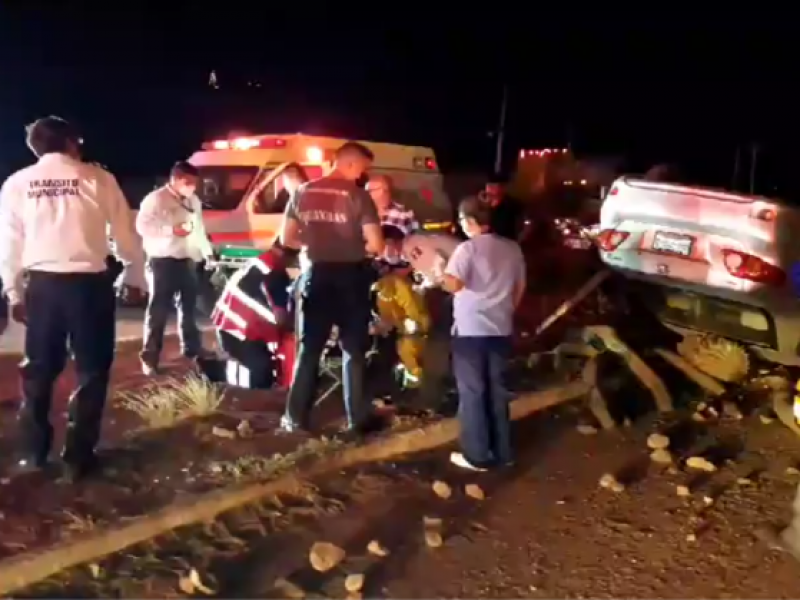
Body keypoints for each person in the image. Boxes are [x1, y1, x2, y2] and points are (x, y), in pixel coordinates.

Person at [0, 116, 144, 479]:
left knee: (38, 370)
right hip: (88, 286)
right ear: (70, 142)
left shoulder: (17, 184)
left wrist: (14, 290)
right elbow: (125, 234)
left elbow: (9, 245)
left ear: (34, 147)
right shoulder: (98, 178)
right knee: (92, 370)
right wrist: (134, 272)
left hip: (42, 286)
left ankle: (34, 453)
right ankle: (79, 456)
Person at [279, 141, 385, 435]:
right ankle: (357, 420)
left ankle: (294, 418)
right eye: (364, 167)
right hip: (351, 279)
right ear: (350, 164)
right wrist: (353, 250)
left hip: (317, 276)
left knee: (310, 350)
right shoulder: (358, 196)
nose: (364, 173)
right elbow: (376, 244)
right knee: (353, 349)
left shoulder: (302, 192)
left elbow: (287, 239)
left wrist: (316, 245)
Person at [431, 196, 526, 471]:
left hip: (471, 331)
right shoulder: (512, 248)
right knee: (497, 392)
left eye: (462, 221)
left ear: (470, 221)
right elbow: (519, 289)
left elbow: (455, 284)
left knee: (473, 392)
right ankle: (503, 452)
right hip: (501, 329)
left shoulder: (467, 249)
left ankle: (477, 455)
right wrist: (504, 311)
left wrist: (439, 274)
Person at [136, 160, 216, 375]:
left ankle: (192, 350)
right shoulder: (155, 199)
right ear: (175, 179)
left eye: (194, 183)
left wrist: (208, 254)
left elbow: (198, 228)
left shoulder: (193, 200)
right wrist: (171, 230)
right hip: (162, 261)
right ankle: (150, 357)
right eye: (187, 182)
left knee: (188, 309)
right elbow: (142, 226)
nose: (191, 186)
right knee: (158, 311)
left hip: (187, 260)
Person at [210, 241, 295, 389]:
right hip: (238, 334)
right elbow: (282, 318)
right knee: (261, 375)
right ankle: (215, 372)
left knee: (264, 369)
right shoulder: (275, 274)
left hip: (230, 328)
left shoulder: (260, 262)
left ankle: (218, 371)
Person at [370, 225, 430, 393]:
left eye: (388, 245)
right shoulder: (375, 267)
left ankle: (411, 389)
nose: (387, 251)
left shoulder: (413, 262)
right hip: (386, 322)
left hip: (407, 322)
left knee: (409, 349)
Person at [481, 179, 531, 244]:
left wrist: (519, 239)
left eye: (493, 185)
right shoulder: (479, 203)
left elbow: (527, 222)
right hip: (485, 243)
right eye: (488, 185)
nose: (490, 188)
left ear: (502, 188)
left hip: (506, 243)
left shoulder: (514, 205)